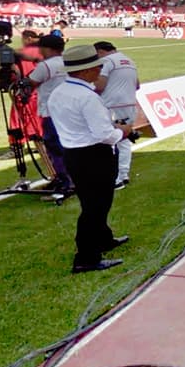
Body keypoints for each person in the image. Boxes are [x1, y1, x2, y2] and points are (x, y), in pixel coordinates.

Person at [47, 45, 134, 273]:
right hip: (94, 155)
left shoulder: (59, 92)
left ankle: (103, 239)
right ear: (85, 71)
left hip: (74, 153)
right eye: (96, 67)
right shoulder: (87, 97)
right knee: (96, 207)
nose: (100, 70)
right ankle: (86, 257)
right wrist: (123, 131)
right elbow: (105, 135)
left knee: (92, 203)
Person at [29, 35, 74, 197]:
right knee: (66, 146)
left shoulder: (46, 65)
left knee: (55, 148)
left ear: (47, 48)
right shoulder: (68, 62)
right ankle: (67, 179)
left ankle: (65, 182)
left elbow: (30, 82)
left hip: (51, 112)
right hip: (69, 110)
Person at [93, 42, 140, 190]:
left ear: (100, 52)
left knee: (108, 140)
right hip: (129, 104)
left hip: (111, 105)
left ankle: (115, 178)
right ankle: (123, 174)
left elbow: (100, 85)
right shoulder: (130, 61)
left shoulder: (106, 61)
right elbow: (137, 85)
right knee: (124, 141)